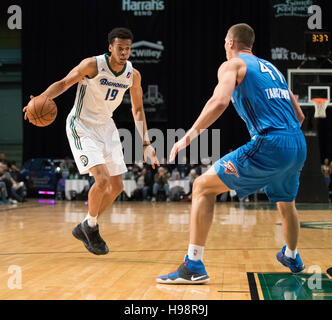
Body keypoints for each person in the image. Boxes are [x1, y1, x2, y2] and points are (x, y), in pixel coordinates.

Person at [157, 23, 306, 284]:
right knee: (286, 203)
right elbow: (300, 116)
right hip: (297, 143)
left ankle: (193, 264)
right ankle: (292, 255)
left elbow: (219, 101)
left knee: (203, 186)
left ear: (229, 43)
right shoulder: (274, 71)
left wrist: (189, 136)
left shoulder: (233, 65)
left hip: (270, 142)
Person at [23, 27, 159, 255]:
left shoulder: (133, 75)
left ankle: (86, 224)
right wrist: (41, 98)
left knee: (117, 187)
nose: (124, 52)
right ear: (110, 48)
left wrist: (146, 143)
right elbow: (64, 83)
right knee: (103, 179)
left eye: (128, 48)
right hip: (81, 124)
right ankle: (92, 227)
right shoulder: (92, 65)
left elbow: (137, 109)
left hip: (107, 126)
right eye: (120, 48)